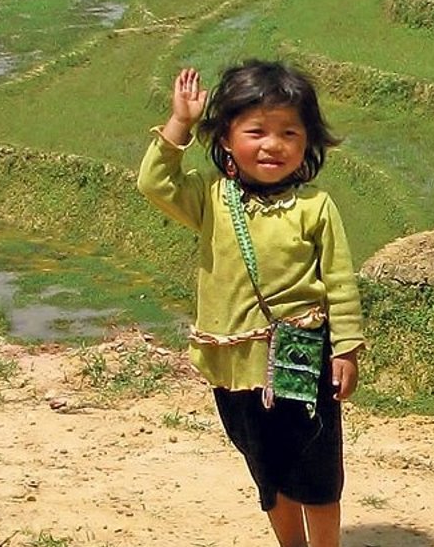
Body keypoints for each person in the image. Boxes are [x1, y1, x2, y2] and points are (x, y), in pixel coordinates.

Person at [137, 60, 365, 547]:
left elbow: (340, 282)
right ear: (225, 140)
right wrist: (180, 123)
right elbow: (154, 183)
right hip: (233, 365)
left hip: (300, 360)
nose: (272, 144)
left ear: (307, 144)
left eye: (289, 132)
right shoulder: (212, 200)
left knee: (318, 473)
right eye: (256, 130)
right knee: (268, 471)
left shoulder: (315, 208)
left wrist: (345, 350)